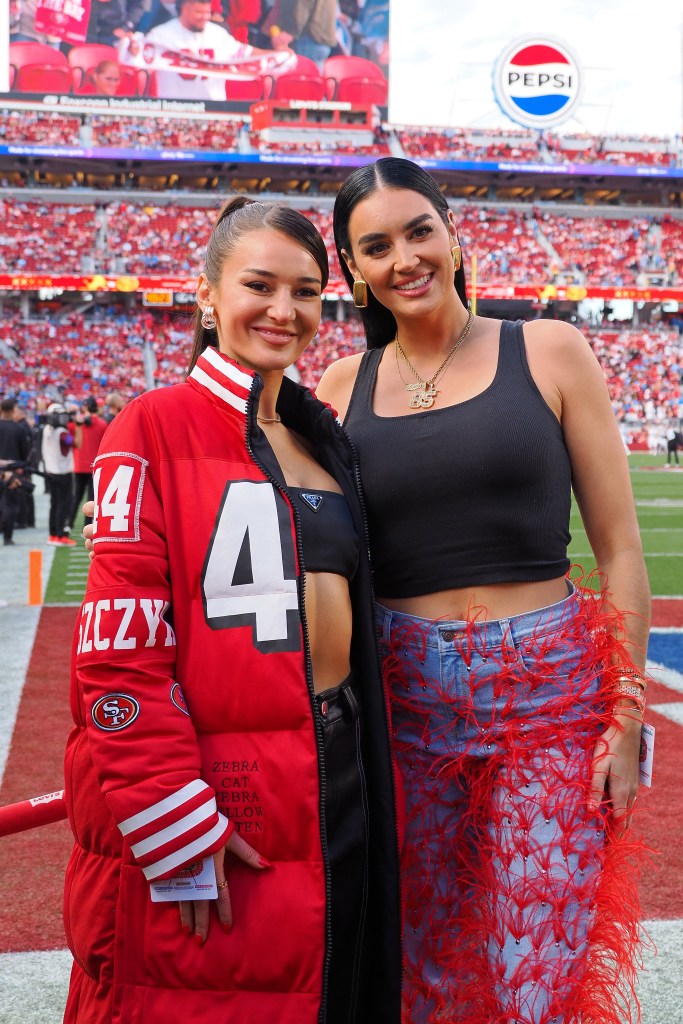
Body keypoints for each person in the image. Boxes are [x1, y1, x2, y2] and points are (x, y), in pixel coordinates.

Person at [316, 157, 650, 1024]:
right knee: (424, 962)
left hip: (548, 692)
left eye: (418, 231)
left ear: (453, 233)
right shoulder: (339, 388)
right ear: (353, 272)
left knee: (532, 966)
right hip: (404, 700)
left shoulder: (546, 346)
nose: (404, 259)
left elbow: (616, 547)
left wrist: (624, 715)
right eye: (375, 246)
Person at [64, 197, 402, 1023]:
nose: (284, 311)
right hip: (228, 784)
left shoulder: (324, 437)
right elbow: (117, 654)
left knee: (336, 983)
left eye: (307, 291)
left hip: (340, 762)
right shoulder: (152, 424)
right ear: (208, 296)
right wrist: (171, 815)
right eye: (260, 284)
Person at [126, 0, 277, 100]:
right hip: (173, 106)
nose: (204, 17)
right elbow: (139, 54)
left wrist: (277, 55)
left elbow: (246, 53)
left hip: (214, 107)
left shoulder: (217, 34)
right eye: (199, 12)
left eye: (207, 12)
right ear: (185, 9)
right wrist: (133, 48)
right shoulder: (161, 34)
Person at [69, 396, 108, 531]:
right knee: (91, 500)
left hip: (79, 466)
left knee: (77, 497)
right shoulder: (102, 423)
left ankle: (69, 525)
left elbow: (69, 438)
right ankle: (87, 527)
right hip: (94, 467)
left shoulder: (76, 423)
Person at [41, 402, 77, 546]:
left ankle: (53, 534)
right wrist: (78, 427)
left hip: (50, 471)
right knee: (63, 504)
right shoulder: (62, 433)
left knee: (54, 504)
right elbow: (75, 443)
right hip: (62, 472)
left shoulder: (47, 429)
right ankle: (60, 535)